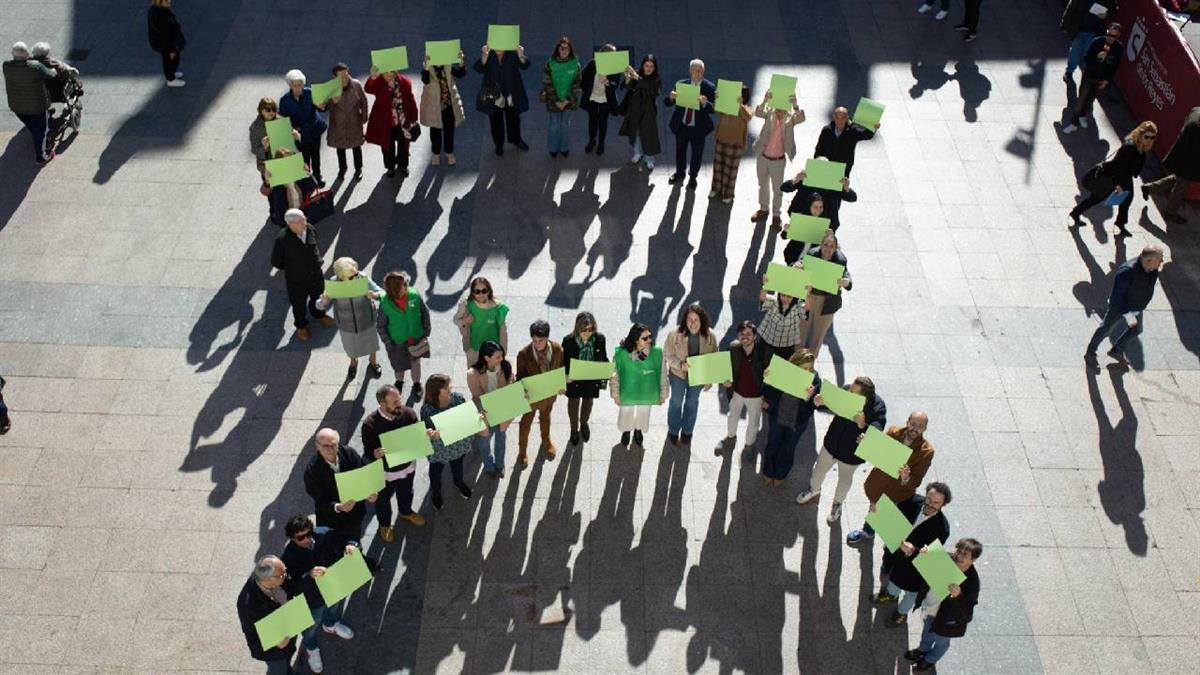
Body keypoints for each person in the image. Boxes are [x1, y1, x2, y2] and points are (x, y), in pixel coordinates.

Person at [795, 376, 888, 523]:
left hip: (852, 454)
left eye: (853, 392)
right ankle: (814, 490)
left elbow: (877, 429)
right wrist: (819, 402)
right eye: (850, 388)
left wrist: (863, 426)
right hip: (832, 442)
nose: (848, 391)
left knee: (844, 480)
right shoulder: (846, 390)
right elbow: (828, 404)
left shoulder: (878, 407)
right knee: (819, 469)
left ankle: (837, 504)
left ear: (865, 397)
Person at [280, 515, 357, 673]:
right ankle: (311, 648)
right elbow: (290, 587)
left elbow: (346, 535)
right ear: (292, 538)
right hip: (312, 598)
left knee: (334, 607)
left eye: (309, 533)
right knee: (310, 627)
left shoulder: (323, 532)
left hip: (334, 585)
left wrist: (351, 544)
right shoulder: (288, 557)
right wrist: (309, 575)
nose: (307, 539)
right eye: (301, 537)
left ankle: (331, 624)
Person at [846, 412, 934, 545]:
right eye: (913, 424)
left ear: (925, 429)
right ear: (907, 422)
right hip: (878, 482)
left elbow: (917, 480)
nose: (915, 428)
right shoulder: (894, 432)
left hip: (897, 490)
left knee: (877, 511)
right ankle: (871, 529)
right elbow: (877, 450)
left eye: (920, 426)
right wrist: (866, 443)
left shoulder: (926, 451)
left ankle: (869, 531)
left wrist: (906, 477)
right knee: (873, 506)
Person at [874, 482, 953, 627]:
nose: (930, 504)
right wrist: (881, 513)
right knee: (893, 579)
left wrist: (912, 550)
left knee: (911, 593)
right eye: (929, 499)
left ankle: (901, 613)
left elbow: (930, 555)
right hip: (896, 555)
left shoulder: (942, 528)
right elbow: (896, 515)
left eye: (936, 503)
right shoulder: (914, 501)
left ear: (943, 504)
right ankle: (891, 595)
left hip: (915, 568)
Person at [360, 384, 427, 543]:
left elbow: (417, 435)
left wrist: (425, 436)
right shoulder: (370, 424)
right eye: (395, 402)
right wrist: (374, 453)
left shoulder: (408, 413)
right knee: (383, 500)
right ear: (383, 404)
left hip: (407, 466)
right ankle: (384, 525)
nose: (400, 404)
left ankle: (405, 512)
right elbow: (368, 451)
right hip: (385, 471)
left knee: (406, 492)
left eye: (399, 399)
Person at [906, 538, 983, 672]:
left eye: (965, 555)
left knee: (942, 642)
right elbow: (924, 562)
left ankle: (930, 660)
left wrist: (958, 596)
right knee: (926, 632)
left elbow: (967, 614)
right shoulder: (947, 558)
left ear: (973, 560)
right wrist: (924, 554)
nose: (958, 556)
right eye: (959, 551)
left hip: (946, 620)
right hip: (929, 608)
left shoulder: (972, 583)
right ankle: (923, 649)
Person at [1069, 120, 1156, 237]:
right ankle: (1076, 213)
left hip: (1125, 176)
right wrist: (1118, 185)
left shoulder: (1142, 149)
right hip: (1113, 176)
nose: (1149, 140)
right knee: (1097, 198)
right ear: (1140, 134)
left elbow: (1133, 170)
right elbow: (1119, 167)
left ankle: (1120, 223)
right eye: (1147, 137)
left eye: (1152, 138)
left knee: (1127, 199)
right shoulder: (1129, 147)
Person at [1085, 245, 1164, 368]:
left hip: (1137, 308)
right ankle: (1090, 353)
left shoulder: (1153, 269)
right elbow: (1117, 297)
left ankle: (1117, 350)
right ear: (1148, 260)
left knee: (1136, 330)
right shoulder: (1127, 271)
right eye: (1159, 259)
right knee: (1105, 330)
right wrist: (1128, 316)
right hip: (1120, 308)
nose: (1162, 262)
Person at [271, 209, 335, 342]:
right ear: (291, 224)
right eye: (302, 220)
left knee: (319, 298)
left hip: (316, 275)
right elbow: (276, 262)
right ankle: (301, 326)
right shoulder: (282, 239)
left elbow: (315, 242)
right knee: (298, 304)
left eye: (304, 218)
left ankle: (319, 315)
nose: (306, 221)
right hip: (296, 280)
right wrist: (294, 268)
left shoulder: (310, 228)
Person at [759, 349, 822, 485]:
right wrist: (767, 379)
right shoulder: (783, 372)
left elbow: (817, 404)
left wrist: (811, 397)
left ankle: (781, 474)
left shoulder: (815, 380)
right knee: (773, 444)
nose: (808, 372)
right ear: (794, 365)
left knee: (788, 448)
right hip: (778, 416)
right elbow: (767, 392)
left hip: (797, 422)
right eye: (804, 368)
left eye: (811, 368)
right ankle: (768, 471)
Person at [315, 257, 383, 381]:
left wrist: (375, 295)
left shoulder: (362, 278)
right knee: (350, 346)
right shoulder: (334, 283)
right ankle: (353, 362)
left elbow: (382, 293)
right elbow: (318, 305)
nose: (354, 277)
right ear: (341, 277)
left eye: (355, 273)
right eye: (351, 277)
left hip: (366, 319)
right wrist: (323, 301)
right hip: (346, 324)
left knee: (371, 343)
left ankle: (373, 362)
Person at [303, 428, 376, 542]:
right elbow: (320, 500)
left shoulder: (349, 453)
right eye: (325, 446)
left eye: (333, 445)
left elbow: (362, 474)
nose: (330, 449)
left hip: (355, 511)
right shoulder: (312, 470)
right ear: (317, 446)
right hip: (331, 517)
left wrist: (370, 491)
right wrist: (339, 507)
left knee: (354, 540)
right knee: (333, 545)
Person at [663, 303, 718, 448]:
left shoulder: (710, 336)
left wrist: (710, 379)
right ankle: (673, 430)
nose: (693, 323)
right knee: (676, 401)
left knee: (692, 403)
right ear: (685, 320)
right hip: (678, 375)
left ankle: (687, 431)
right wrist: (680, 365)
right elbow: (667, 355)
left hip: (698, 376)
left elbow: (714, 357)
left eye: (696, 320)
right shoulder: (674, 334)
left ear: (702, 321)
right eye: (689, 320)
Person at [421, 374, 477, 510]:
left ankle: (458, 482)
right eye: (447, 387)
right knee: (435, 474)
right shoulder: (427, 409)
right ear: (437, 391)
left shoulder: (458, 398)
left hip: (458, 446)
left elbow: (467, 416)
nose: (451, 387)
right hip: (440, 450)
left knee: (457, 467)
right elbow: (427, 429)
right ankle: (436, 493)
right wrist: (431, 434)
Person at [236, 556, 298, 674]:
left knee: (287, 664)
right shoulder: (247, 605)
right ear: (268, 579)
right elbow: (254, 641)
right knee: (278, 670)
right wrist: (277, 645)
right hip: (276, 651)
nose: (286, 575)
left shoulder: (278, 578)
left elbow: (293, 586)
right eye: (282, 575)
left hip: (288, 631)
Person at [720, 321, 772, 460]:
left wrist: (767, 398)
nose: (745, 337)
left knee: (753, 423)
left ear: (755, 336)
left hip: (756, 396)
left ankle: (749, 445)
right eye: (742, 334)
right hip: (737, 393)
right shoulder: (733, 348)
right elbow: (724, 369)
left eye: (748, 334)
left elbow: (773, 375)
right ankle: (730, 437)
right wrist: (723, 381)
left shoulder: (763, 351)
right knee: (732, 417)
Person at [749, 90, 804, 224]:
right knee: (762, 185)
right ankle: (763, 209)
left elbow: (801, 118)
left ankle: (776, 215)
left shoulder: (791, 117)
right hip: (763, 157)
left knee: (778, 189)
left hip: (778, 161)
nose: (779, 110)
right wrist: (765, 100)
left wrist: (796, 105)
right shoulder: (770, 112)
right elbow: (757, 113)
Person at [515, 320, 565, 464]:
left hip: (549, 396)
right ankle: (522, 451)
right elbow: (520, 378)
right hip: (532, 397)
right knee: (525, 424)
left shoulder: (557, 350)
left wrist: (561, 384)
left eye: (540, 340)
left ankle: (546, 440)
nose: (537, 344)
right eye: (534, 340)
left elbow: (561, 370)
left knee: (545, 417)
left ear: (547, 338)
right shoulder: (523, 355)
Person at [611, 323, 668, 448]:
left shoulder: (657, 353)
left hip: (647, 392)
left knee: (644, 411)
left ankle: (638, 430)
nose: (649, 340)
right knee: (626, 411)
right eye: (645, 338)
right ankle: (626, 430)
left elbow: (663, 374)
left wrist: (663, 394)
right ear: (636, 339)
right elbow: (614, 375)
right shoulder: (621, 354)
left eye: (650, 336)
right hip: (627, 392)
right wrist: (615, 394)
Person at [376, 271, 431, 401]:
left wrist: (426, 331)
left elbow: (424, 312)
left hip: (416, 340)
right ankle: (399, 382)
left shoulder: (414, 295)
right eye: (403, 286)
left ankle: (416, 383)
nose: (406, 287)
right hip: (397, 343)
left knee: (416, 364)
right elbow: (380, 326)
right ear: (394, 290)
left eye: (406, 284)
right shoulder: (385, 305)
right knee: (398, 366)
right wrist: (388, 343)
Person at [796, 231, 852, 358]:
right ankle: (797, 358)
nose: (828, 248)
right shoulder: (812, 254)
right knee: (802, 329)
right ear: (821, 245)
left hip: (827, 302)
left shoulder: (840, 260)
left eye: (831, 246)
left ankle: (809, 362)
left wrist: (846, 282)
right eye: (825, 245)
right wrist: (797, 266)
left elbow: (847, 276)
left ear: (836, 248)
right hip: (809, 296)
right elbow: (800, 263)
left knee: (818, 334)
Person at [664, 58, 716, 190]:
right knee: (680, 151)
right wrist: (671, 97)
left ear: (703, 72)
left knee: (697, 153)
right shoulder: (681, 84)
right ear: (690, 71)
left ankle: (693, 177)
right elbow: (667, 103)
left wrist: (705, 103)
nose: (697, 73)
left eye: (700, 71)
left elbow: (713, 109)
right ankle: (679, 173)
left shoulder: (709, 87)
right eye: (695, 71)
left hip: (698, 128)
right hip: (682, 125)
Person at [1062, 22, 1123, 134]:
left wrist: (1107, 80)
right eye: (1109, 34)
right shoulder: (1097, 42)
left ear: (1118, 35)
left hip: (1101, 79)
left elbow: (1115, 66)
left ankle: (1083, 116)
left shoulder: (1118, 48)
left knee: (1090, 100)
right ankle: (1074, 123)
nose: (1110, 38)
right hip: (1089, 76)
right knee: (1081, 100)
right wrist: (1097, 58)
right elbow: (1087, 58)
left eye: (1113, 36)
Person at [1143, 106, 1199, 225]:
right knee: (1182, 185)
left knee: (1179, 179)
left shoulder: (1196, 110)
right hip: (1191, 160)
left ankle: (1149, 188)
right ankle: (1170, 212)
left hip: (1182, 153)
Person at [4, 41, 57, 164]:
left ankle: (37, 136)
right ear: (27, 53)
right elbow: (51, 74)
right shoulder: (35, 66)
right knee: (41, 131)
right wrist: (54, 70)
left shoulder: (6, 66)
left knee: (32, 126)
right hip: (37, 106)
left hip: (16, 106)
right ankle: (42, 156)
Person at [474, 42, 531, 156]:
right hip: (494, 95)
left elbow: (525, 65)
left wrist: (521, 55)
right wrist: (484, 57)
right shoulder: (489, 55)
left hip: (511, 94)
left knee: (514, 119)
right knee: (495, 121)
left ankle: (516, 140)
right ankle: (499, 145)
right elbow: (478, 68)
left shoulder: (512, 54)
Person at [467, 341, 513, 477]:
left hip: (502, 409)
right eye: (498, 356)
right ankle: (488, 466)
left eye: (502, 355)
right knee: (484, 442)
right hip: (484, 411)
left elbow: (510, 385)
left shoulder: (505, 367)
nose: (502, 359)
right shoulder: (473, 374)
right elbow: (477, 397)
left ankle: (500, 465)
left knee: (501, 438)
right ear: (487, 358)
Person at [365, 64, 418, 178]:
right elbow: (368, 89)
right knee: (387, 147)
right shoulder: (379, 81)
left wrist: (414, 118)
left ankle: (403, 165)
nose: (388, 74)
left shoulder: (405, 82)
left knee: (403, 146)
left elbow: (411, 100)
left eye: (391, 71)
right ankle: (390, 167)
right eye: (385, 72)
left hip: (402, 122)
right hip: (386, 123)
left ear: (395, 71)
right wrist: (372, 78)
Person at [562, 311, 608, 446]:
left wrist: (608, 370)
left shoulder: (599, 339)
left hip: (590, 378)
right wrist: (565, 377)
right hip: (573, 379)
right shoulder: (568, 341)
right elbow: (563, 362)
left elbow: (603, 358)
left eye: (590, 329)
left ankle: (583, 423)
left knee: (588, 402)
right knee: (573, 404)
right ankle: (573, 429)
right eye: (583, 330)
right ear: (577, 328)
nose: (587, 333)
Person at [279, 70, 328, 186]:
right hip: (299, 133)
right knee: (304, 157)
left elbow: (322, 108)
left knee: (315, 155)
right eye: (294, 85)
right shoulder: (284, 100)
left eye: (299, 84)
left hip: (314, 128)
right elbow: (283, 119)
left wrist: (322, 106)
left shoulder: (310, 93)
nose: (297, 88)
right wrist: (292, 129)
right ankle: (308, 177)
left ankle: (317, 175)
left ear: (303, 84)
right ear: (290, 85)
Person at [420, 48, 467, 166]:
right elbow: (425, 80)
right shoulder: (428, 69)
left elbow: (461, 74)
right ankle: (435, 154)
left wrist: (461, 63)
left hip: (448, 106)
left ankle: (449, 153)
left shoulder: (448, 66)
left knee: (449, 131)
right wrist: (426, 67)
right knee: (435, 132)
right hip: (434, 107)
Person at [709, 84, 753, 203]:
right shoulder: (727, 105)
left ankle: (727, 193)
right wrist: (718, 99)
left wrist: (740, 105)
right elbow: (716, 110)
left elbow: (748, 117)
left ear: (744, 97)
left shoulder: (747, 108)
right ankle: (716, 188)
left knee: (731, 170)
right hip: (721, 139)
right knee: (718, 167)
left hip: (736, 144)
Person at [325, 63, 368, 182]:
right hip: (338, 123)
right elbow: (325, 108)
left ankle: (358, 169)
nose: (345, 78)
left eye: (346, 75)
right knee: (340, 148)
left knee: (356, 146)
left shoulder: (356, 84)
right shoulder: (331, 89)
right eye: (341, 77)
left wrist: (364, 117)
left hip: (354, 121)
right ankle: (342, 169)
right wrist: (332, 102)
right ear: (335, 78)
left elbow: (363, 100)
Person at [619, 55, 663, 171]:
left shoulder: (656, 78)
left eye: (651, 66)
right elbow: (627, 86)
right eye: (646, 65)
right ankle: (637, 152)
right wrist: (628, 78)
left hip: (648, 110)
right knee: (636, 132)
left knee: (648, 135)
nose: (648, 68)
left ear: (654, 68)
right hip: (635, 108)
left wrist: (637, 78)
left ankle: (649, 158)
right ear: (643, 65)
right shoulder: (637, 74)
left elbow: (652, 92)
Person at [453, 276, 509, 365]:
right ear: (473, 292)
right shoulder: (466, 305)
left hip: (493, 353)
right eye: (477, 291)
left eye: (484, 290)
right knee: (474, 377)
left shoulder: (498, 308)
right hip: (474, 350)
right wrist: (465, 321)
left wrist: (503, 352)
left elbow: (503, 332)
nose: (481, 294)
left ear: (489, 291)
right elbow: (456, 320)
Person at [542, 36, 581, 158]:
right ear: (557, 49)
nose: (564, 51)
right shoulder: (550, 63)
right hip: (554, 101)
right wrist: (557, 101)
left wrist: (566, 100)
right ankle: (553, 149)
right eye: (562, 48)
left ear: (570, 51)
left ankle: (564, 148)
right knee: (553, 125)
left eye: (567, 49)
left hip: (568, 101)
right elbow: (547, 83)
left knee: (565, 124)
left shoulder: (576, 64)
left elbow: (577, 83)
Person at [781, 171, 857, 232]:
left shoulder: (835, 185)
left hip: (827, 224)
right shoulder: (806, 180)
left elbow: (853, 198)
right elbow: (784, 188)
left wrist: (846, 188)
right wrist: (795, 180)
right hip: (803, 220)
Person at [813, 106, 877, 178]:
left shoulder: (853, 131)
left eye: (843, 118)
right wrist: (816, 162)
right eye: (837, 118)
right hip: (827, 166)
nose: (840, 121)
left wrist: (873, 127)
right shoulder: (826, 130)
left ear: (847, 118)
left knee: (841, 187)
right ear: (834, 117)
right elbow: (819, 148)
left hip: (843, 168)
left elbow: (867, 135)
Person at [581, 44, 620, 155]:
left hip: (605, 100)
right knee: (592, 121)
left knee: (603, 122)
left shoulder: (615, 68)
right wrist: (582, 88)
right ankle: (591, 141)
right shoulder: (593, 64)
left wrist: (607, 82)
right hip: (593, 98)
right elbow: (582, 76)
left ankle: (601, 143)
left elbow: (615, 84)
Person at [757, 279, 806, 359]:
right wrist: (765, 286)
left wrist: (808, 294)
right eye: (783, 295)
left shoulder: (797, 306)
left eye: (789, 297)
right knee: (763, 359)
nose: (785, 299)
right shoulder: (775, 301)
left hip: (786, 343)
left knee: (783, 363)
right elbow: (763, 299)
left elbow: (806, 309)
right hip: (768, 337)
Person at [1062, 1, 1109, 82]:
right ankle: (1069, 72)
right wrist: (1065, 25)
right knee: (1075, 52)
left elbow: (1113, 8)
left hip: (1093, 32)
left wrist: (1106, 14)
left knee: (1089, 54)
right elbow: (1070, 9)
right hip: (1079, 30)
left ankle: (1087, 74)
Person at [781, 194, 829, 265]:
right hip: (794, 257)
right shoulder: (800, 218)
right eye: (815, 207)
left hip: (812, 260)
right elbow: (784, 236)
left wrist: (829, 236)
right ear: (809, 207)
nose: (818, 210)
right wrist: (786, 230)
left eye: (821, 207)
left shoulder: (825, 221)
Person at [147, 0, 185, 87]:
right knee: (169, 59)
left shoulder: (158, 9)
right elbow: (164, 34)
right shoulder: (158, 14)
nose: (169, 1)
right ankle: (171, 79)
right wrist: (171, 49)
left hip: (165, 41)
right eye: (166, 1)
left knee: (173, 58)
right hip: (164, 43)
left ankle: (172, 73)